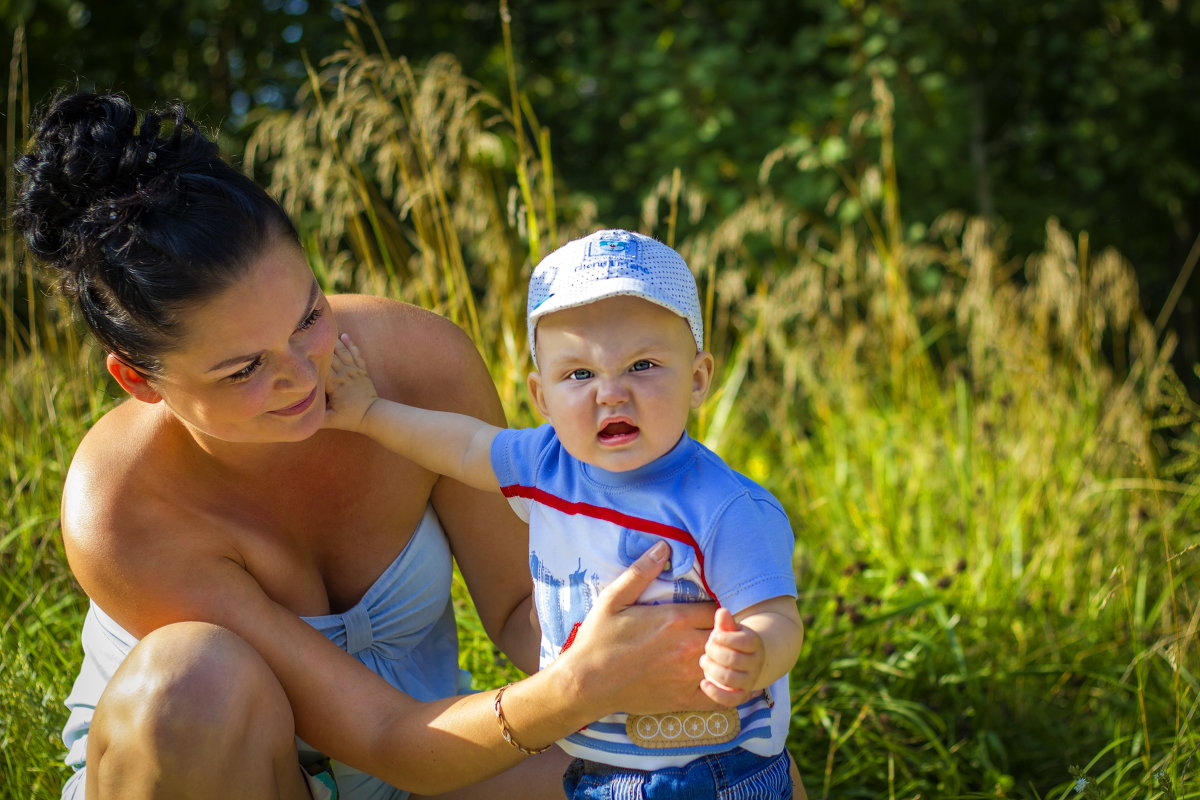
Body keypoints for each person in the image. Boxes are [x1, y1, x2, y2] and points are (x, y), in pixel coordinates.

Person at [12, 93, 755, 800]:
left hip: (432, 759)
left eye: (308, 316)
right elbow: (381, 730)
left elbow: (524, 606)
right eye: (244, 369)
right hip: (220, 772)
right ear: (138, 380)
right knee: (189, 680)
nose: (306, 377)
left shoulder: (419, 365)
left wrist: (676, 649)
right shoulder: (119, 507)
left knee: (727, 777)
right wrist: (577, 689)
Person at [324, 229, 805, 799]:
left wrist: (752, 652)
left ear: (698, 379)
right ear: (542, 397)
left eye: (642, 365)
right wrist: (370, 414)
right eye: (579, 374)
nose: (610, 393)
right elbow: (462, 445)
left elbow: (777, 614)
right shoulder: (546, 463)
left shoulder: (720, 506)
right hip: (594, 769)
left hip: (710, 763)